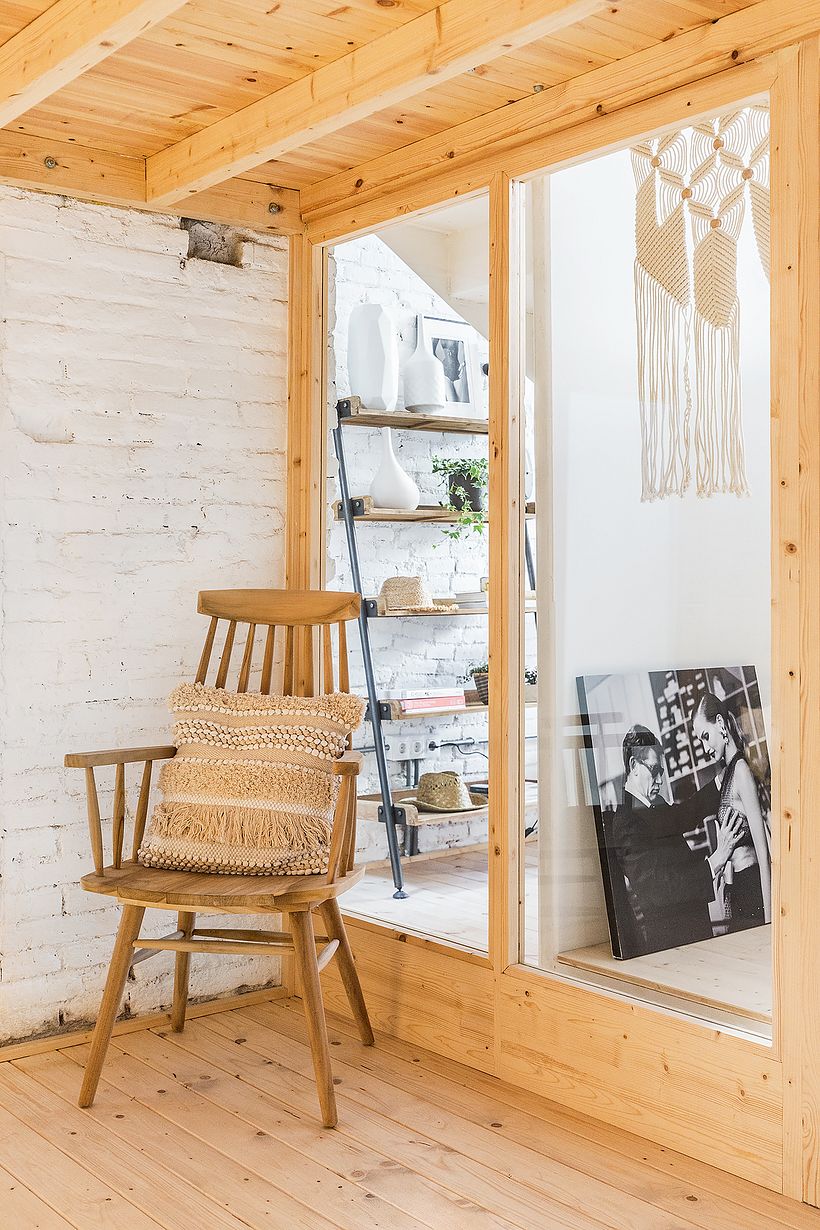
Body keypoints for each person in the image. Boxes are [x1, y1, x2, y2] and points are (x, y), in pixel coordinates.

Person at [610, 725, 745, 956]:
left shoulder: (652, 803)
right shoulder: (625, 823)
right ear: (633, 766)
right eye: (654, 770)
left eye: (660, 770)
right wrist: (717, 860)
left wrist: (720, 782)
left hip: (691, 929)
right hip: (673, 942)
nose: (660, 779)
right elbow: (659, 887)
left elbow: (684, 815)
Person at [691, 692, 771, 930]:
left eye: (706, 736)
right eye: (700, 741)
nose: (705, 747)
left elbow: (763, 850)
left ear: (720, 723)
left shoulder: (741, 772)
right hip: (737, 891)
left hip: (752, 888)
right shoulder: (725, 775)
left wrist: (769, 918)